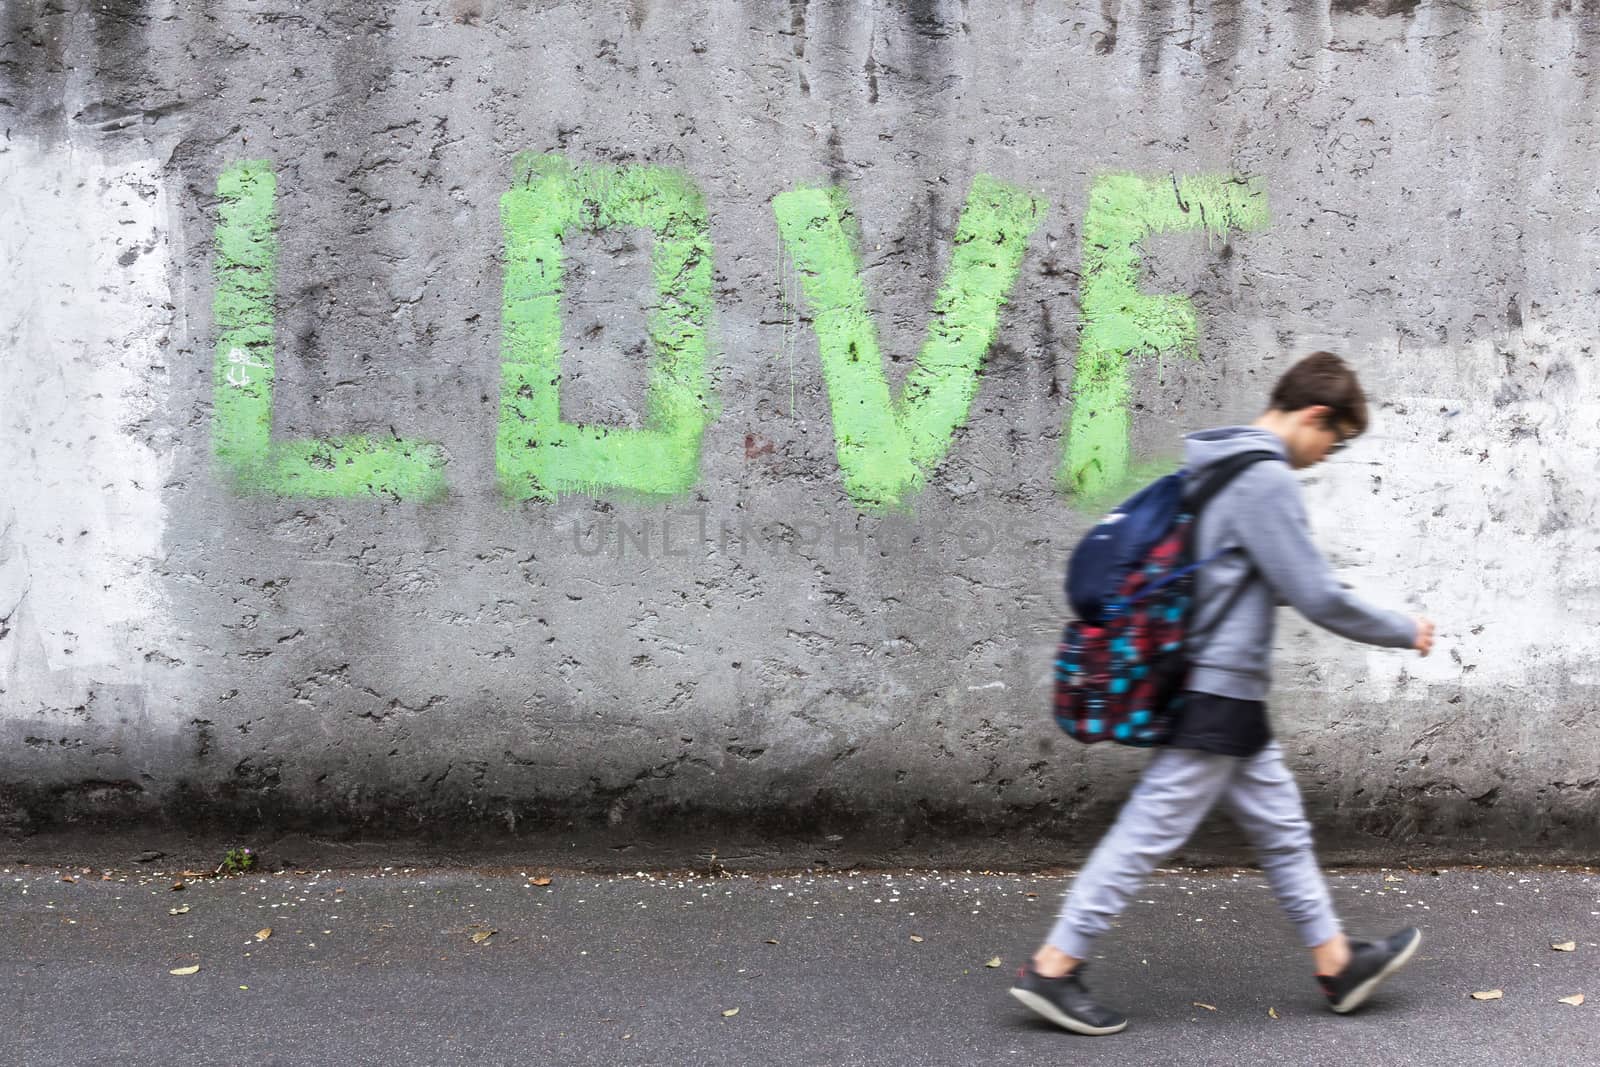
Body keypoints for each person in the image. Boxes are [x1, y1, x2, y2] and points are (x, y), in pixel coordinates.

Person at [1011, 352, 1436, 1036]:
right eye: (1337, 439)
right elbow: (1316, 593)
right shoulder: (1264, 477)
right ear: (1314, 414)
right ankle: (1053, 967)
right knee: (1147, 831)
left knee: (1282, 828)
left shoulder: (1217, 463)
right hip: (1218, 690)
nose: (1329, 455)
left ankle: (1336, 962)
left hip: (1221, 689)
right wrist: (1402, 629)